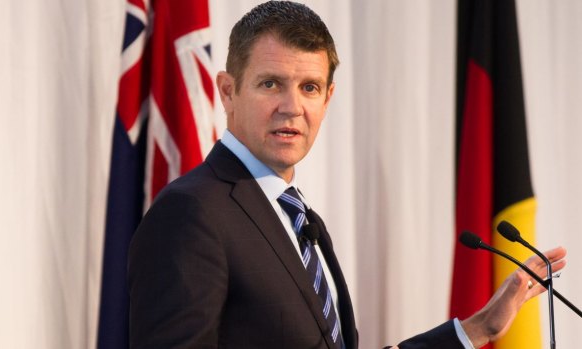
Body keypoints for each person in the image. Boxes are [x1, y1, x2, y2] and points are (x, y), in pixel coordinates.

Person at [127, 1, 567, 348]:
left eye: (309, 88)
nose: (291, 107)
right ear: (228, 90)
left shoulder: (295, 217)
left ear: (328, 97)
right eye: (270, 84)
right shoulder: (192, 213)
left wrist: (478, 329)